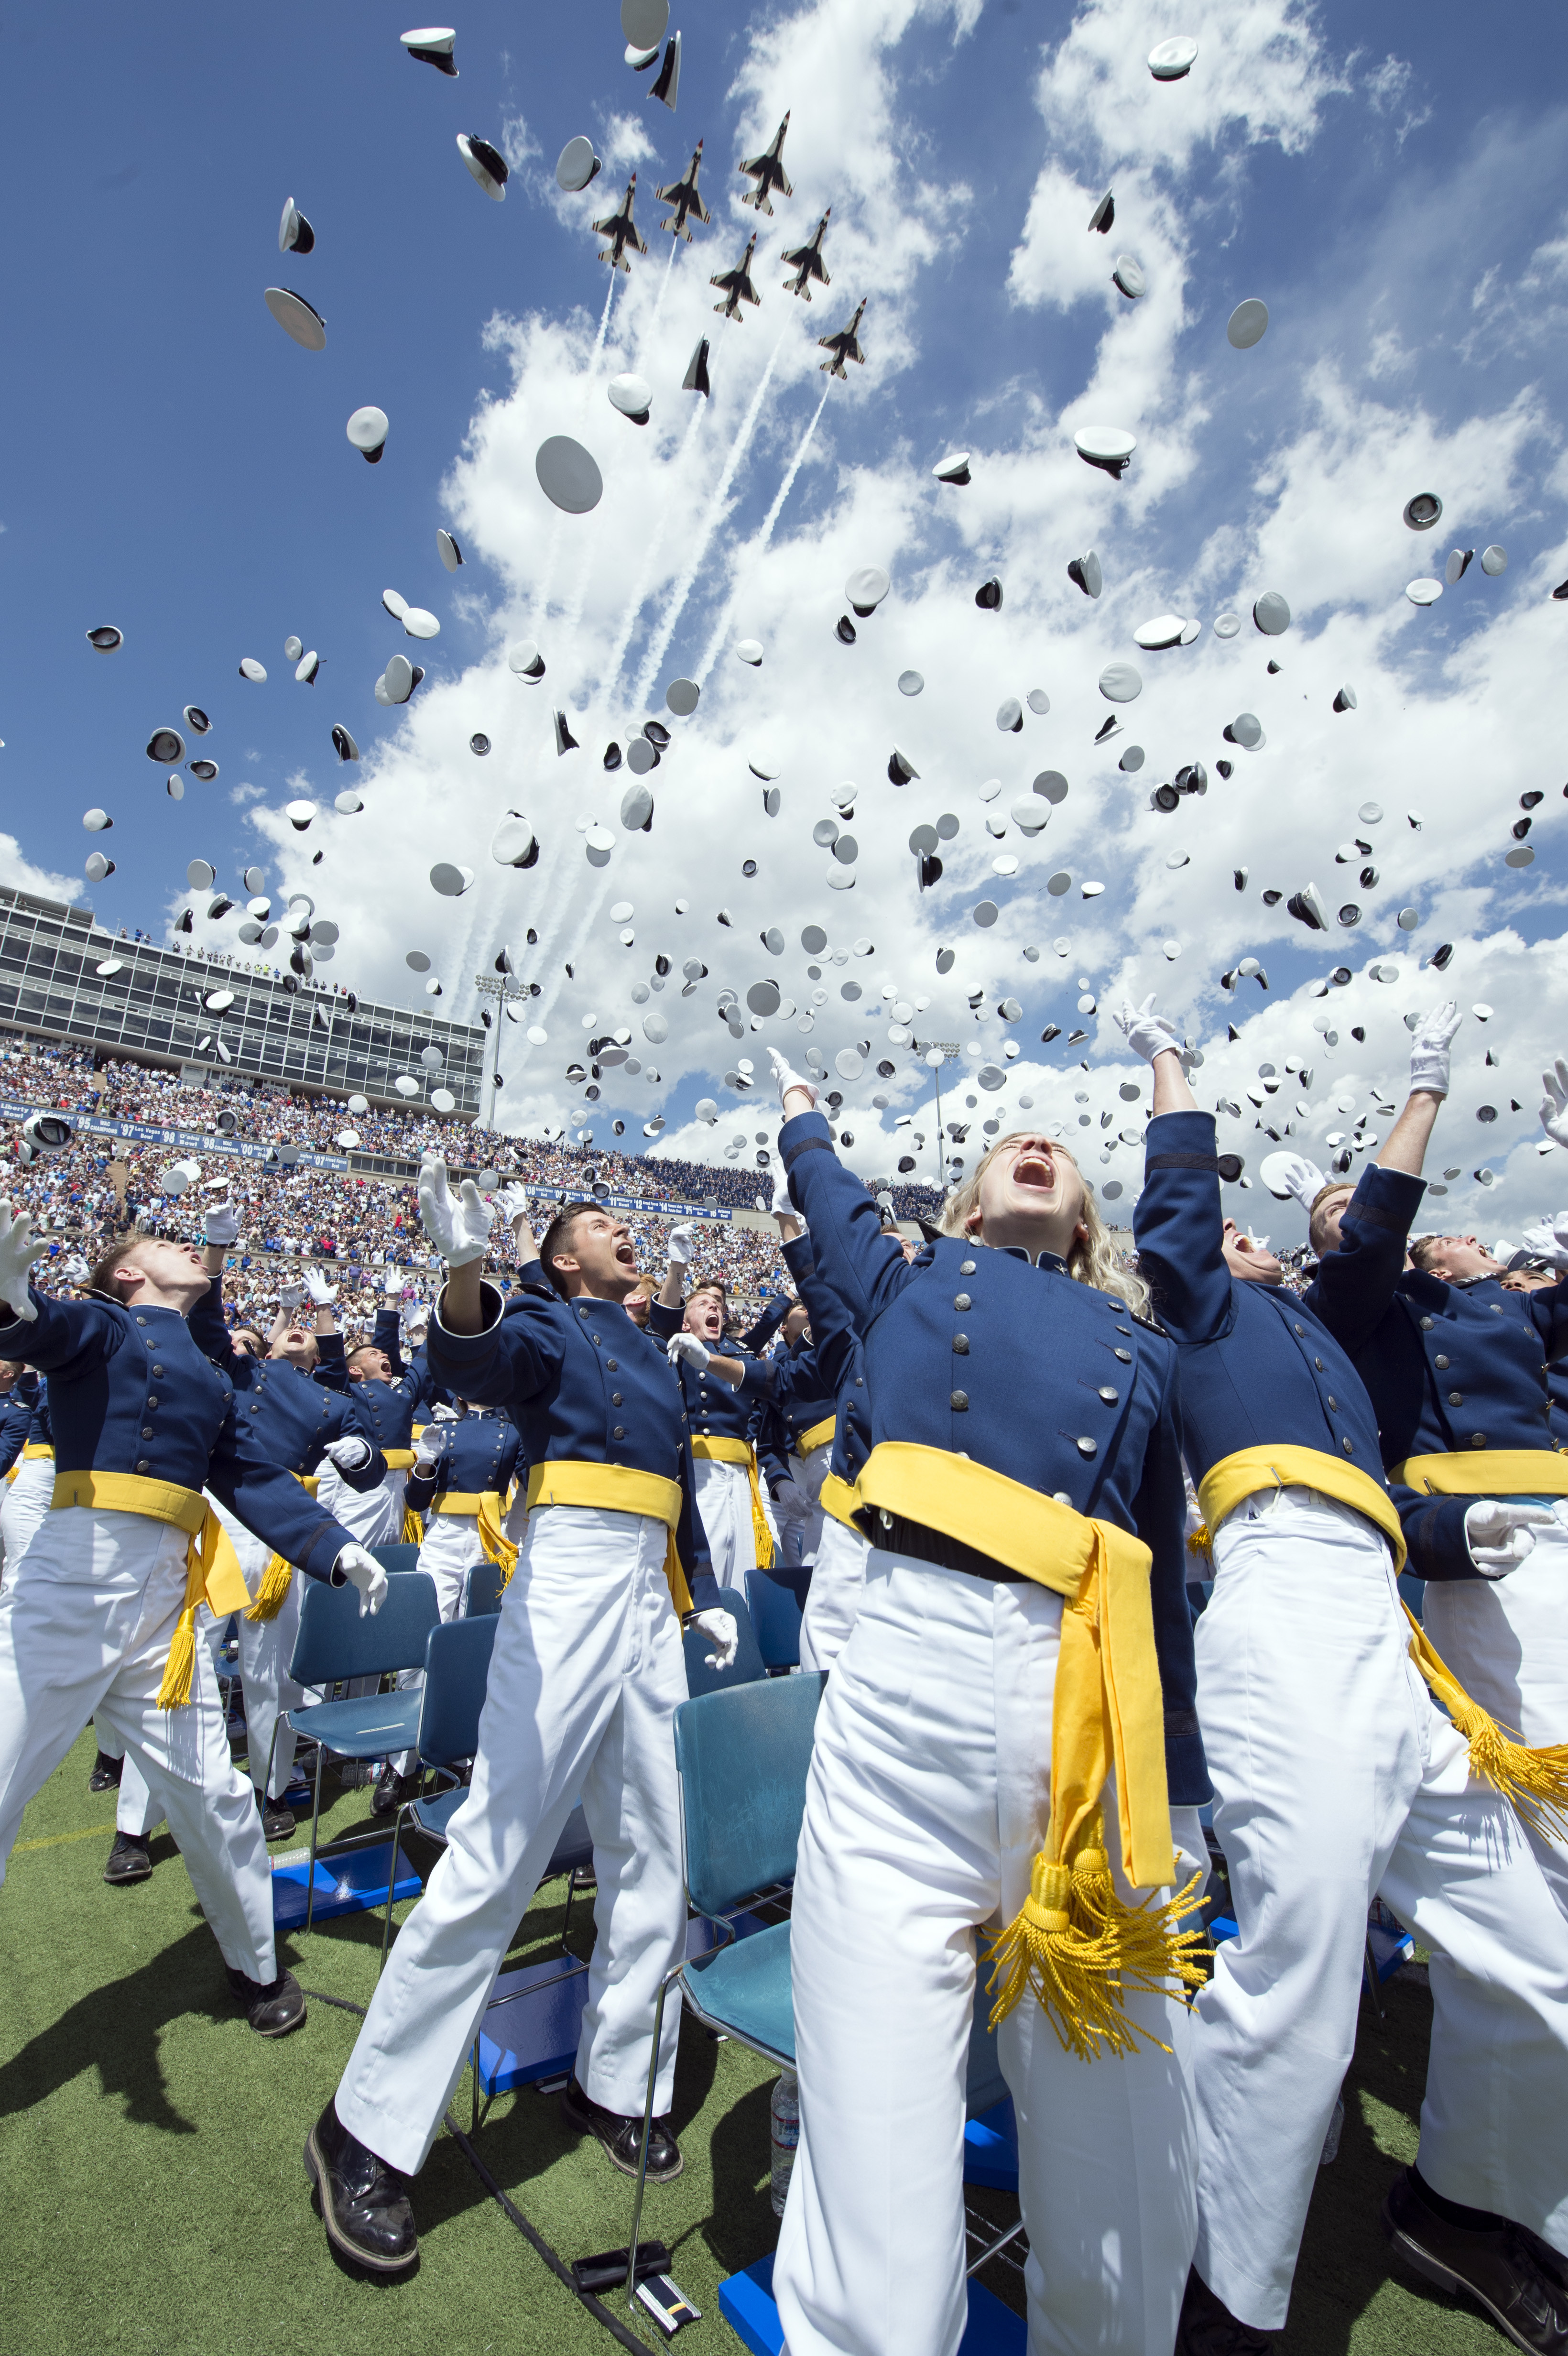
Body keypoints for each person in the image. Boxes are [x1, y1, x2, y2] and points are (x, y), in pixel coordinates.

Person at [1122, 995, 1568, 2356]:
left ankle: (1463, 2208)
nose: (1259, 1239)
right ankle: (1218, 2298)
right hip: (1281, 1623)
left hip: (1388, 1631)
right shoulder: (1196, 1313)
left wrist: (1456, 1528)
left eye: (1278, 1229)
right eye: (1248, 1230)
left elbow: (1376, 1486)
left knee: (1542, 1963)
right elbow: (1185, 1218)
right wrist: (1170, 1065)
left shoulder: (1324, 1326)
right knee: (1306, 1992)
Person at [764, 1055, 1211, 2356]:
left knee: (1117, 2120)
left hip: (1085, 1725)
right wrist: (804, 1109)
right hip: (901, 1697)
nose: (1035, 1141)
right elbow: (834, 1201)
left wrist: (1175, 1793)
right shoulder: (900, 1289)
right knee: (873, 2109)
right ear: (962, 1213)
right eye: (1007, 1142)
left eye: (1057, 1147)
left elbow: (1160, 1598)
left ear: (1084, 1221)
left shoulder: (1146, 1345)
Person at [305, 1174, 736, 2276]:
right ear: (560, 1262)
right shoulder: (544, 1320)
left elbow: (673, 1485)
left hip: (647, 1588)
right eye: (597, 1226)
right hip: (573, 1576)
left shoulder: (645, 1342)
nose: (620, 1230)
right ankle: (365, 2129)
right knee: (501, 1845)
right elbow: (477, 1363)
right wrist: (461, 1278)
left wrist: (704, 1597)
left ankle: (614, 2079)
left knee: (656, 1848)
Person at [0, 1205, 389, 2036]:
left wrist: (331, 1548)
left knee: (214, 1796)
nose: (188, 1246)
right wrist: (11, 1298)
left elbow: (247, 1474)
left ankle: (255, 1962)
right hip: (75, 1575)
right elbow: (45, 1326)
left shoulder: (213, 1375)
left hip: (163, 1606)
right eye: (164, 1244)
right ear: (129, 1275)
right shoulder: (102, 1323)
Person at [375, 1396, 522, 1815]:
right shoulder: (443, 1430)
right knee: (424, 1643)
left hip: (490, 1540)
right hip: (441, 1539)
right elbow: (418, 1501)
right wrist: (425, 1462)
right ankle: (400, 1764)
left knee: (479, 1647)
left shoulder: (512, 1430)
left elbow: (529, 1480)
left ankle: (469, 1754)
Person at [648, 1222, 779, 1588]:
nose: (715, 1308)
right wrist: (678, 1267)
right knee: (706, 1564)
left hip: (740, 1472)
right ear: (686, 1322)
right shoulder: (680, 1350)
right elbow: (662, 1322)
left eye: (719, 1305)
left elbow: (762, 1392)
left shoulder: (738, 1354)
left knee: (745, 1564)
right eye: (704, 1304)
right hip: (700, 1467)